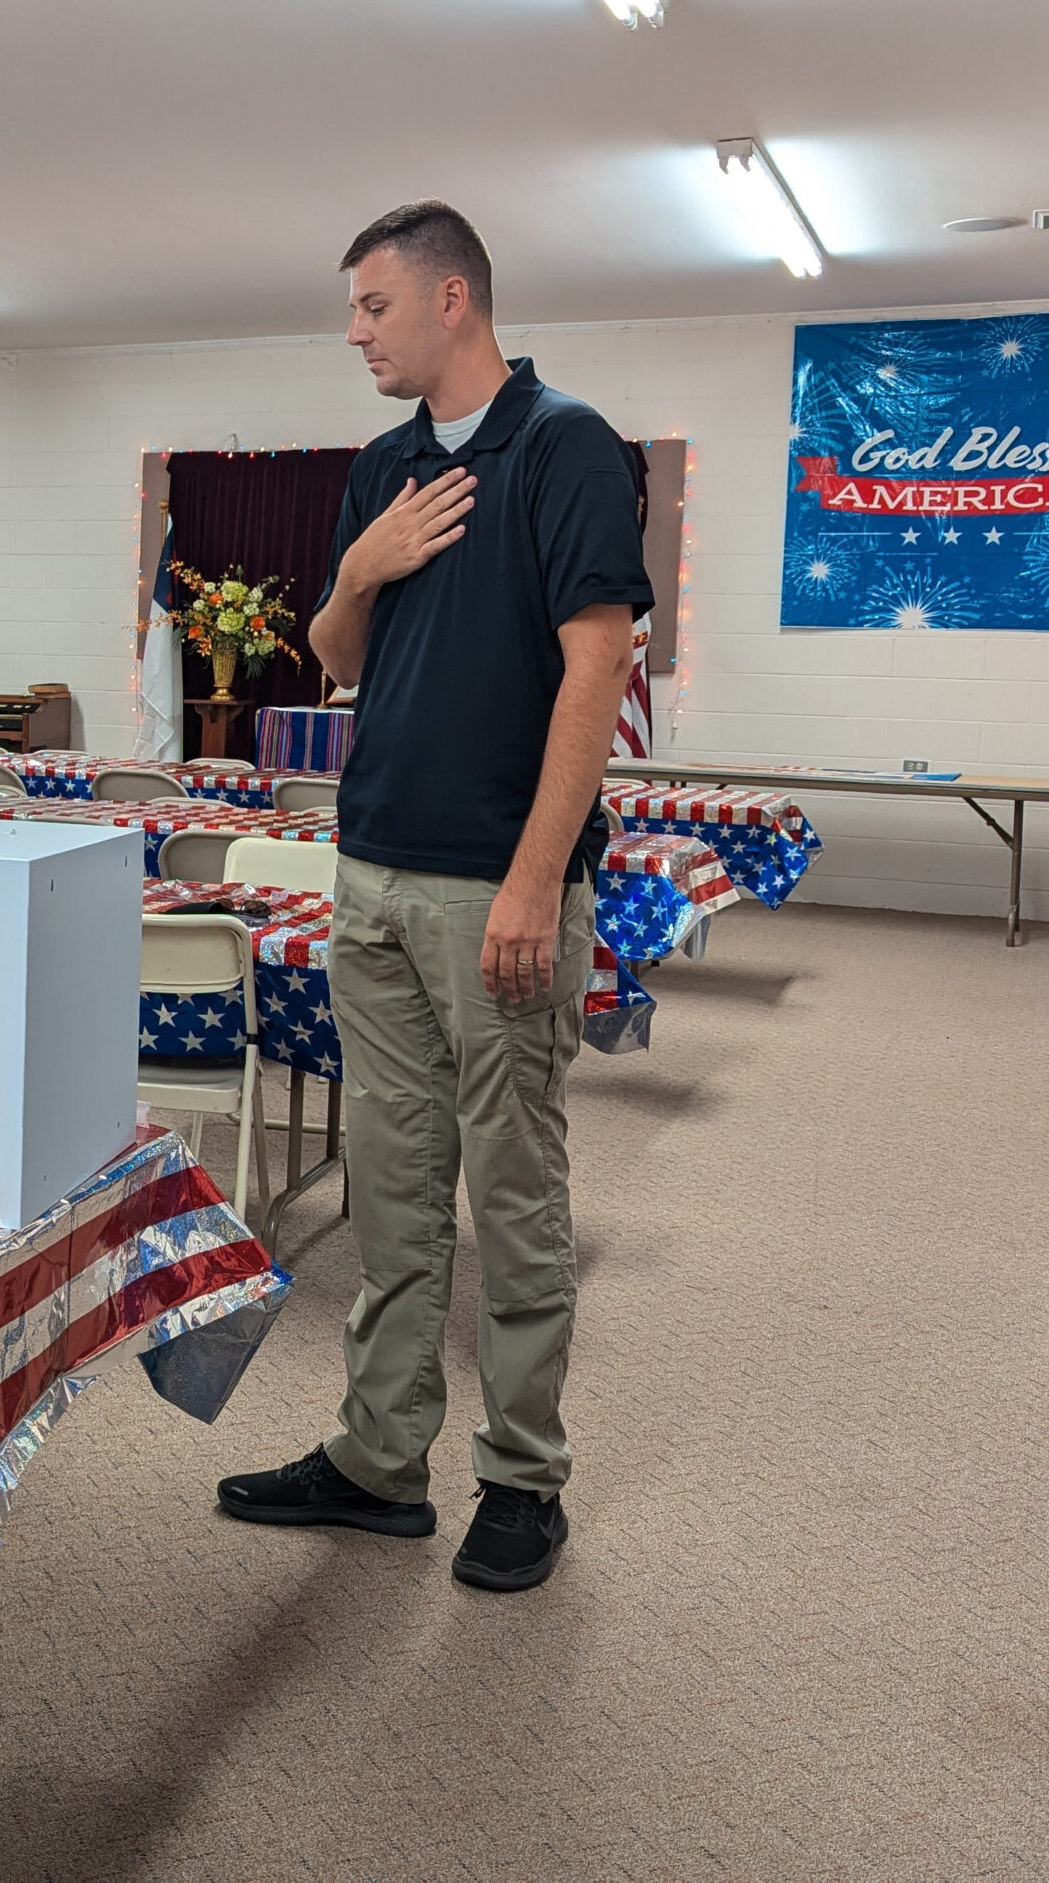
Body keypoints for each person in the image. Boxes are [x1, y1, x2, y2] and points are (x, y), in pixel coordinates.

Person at [216, 202, 648, 1593]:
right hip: (375, 874)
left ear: (453, 298)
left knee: (514, 1192)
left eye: (373, 306)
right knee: (395, 1194)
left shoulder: (566, 446)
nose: (354, 332)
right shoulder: (389, 467)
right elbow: (336, 657)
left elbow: (597, 671)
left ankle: (523, 1476)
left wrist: (536, 879)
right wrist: (358, 566)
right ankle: (378, 1460)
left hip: (496, 890)